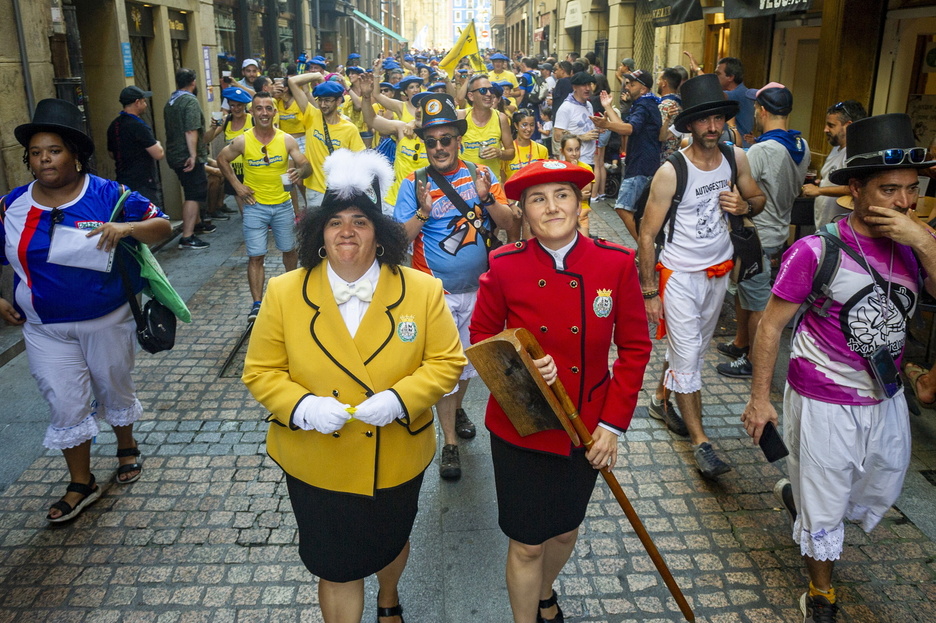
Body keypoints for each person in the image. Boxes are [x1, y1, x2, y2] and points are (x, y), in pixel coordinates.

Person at [242, 148, 465, 623]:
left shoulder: (422, 290)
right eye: (335, 221)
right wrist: (301, 407)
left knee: (391, 542)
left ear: (380, 235)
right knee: (336, 565)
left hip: (396, 450)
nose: (347, 231)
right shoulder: (284, 293)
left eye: (360, 222)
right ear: (319, 235)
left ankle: (388, 598)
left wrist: (400, 399)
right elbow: (260, 371)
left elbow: (447, 362)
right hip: (317, 456)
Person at [741, 113, 936, 623]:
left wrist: (924, 242)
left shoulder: (919, 243)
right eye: (889, 190)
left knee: (878, 487)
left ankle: (802, 499)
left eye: (912, 190)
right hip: (823, 396)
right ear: (855, 189)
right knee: (827, 508)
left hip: (887, 398)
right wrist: (760, 399)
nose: (904, 203)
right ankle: (820, 593)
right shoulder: (815, 250)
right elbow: (769, 327)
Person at [470, 159, 651, 623]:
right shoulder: (503, 266)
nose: (552, 207)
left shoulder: (615, 263)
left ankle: (545, 592)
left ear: (578, 202)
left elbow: (634, 347)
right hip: (522, 427)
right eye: (537, 199)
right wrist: (521, 363)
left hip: (586, 427)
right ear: (524, 214)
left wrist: (612, 426)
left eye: (562, 195)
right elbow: (481, 343)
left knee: (565, 533)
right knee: (528, 543)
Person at [0, 99, 172, 522]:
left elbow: (163, 227)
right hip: (44, 328)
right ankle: (82, 482)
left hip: (107, 319)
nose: (44, 160)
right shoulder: (11, 207)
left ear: (75, 155)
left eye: (54, 150)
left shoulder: (110, 195)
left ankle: (126, 445)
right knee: (64, 402)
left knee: (114, 385)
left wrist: (125, 227)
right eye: (36, 153)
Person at [638, 74, 765, 476]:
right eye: (703, 120)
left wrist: (744, 207)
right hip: (679, 276)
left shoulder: (735, 159)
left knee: (687, 348)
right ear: (690, 125)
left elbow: (759, 199)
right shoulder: (672, 171)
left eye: (718, 119)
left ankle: (660, 398)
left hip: (719, 274)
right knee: (690, 356)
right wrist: (649, 292)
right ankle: (701, 441)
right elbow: (646, 235)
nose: (712, 127)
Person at [394, 93, 519, 480]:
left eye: (445, 139)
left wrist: (485, 199)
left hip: (480, 293)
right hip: (437, 295)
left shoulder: (483, 174)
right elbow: (398, 240)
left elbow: (511, 226)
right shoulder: (413, 183)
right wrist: (422, 212)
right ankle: (449, 441)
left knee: (466, 369)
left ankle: (456, 407)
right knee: (447, 371)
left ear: (457, 140)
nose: (438, 148)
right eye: (430, 141)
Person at [717, 84, 810, 379]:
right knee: (747, 293)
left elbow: (741, 190)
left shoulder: (761, 150)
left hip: (757, 235)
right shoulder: (801, 145)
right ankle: (740, 344)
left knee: (758, 303)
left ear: (762, 110)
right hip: (780, 230)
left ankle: (754, 362)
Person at [217, 92, 311, 322]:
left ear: (274, 112)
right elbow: (222, 158)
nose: (264, 113)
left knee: (289, 250)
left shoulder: (286, 139)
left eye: (268, 108)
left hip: (282, 205)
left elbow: (305, 164)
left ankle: (292, 296)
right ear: (252, 113)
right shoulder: (243, 140)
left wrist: (300, 172)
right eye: (259, 108)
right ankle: (257, 305)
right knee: (256, 256)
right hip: (254, 207)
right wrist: (237, 186)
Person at [593, 69, 662, 243]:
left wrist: (606, 124)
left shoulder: (643, 105)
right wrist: (608, 107)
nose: (627, 87)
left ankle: (646, 246)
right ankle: (647, 246)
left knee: (623, 207)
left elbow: (630, 129)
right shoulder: (645, 104)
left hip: (641, 165)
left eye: (632, 84)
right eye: (627, 83)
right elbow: (625, 126)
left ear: (644, 89)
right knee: (640, 211)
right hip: (644, 163)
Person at [287, 72, 365, 208]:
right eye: (320, 100)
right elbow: (292, 81)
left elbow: (360, 160)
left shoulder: (349, 128)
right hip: (315, 190)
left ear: (339, 101)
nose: (323, 105)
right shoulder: (311, 116)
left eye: (328, 100)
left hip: (339, 191)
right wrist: (317, 75)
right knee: (316, 229)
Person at [164, 67, 211, 249]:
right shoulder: (189, 102)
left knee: (191, 189)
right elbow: (191, 130)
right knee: (194, 193)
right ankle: (187, 235)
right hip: (187, 155)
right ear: (193, 82)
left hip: (174, 153)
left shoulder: (171, 102)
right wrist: (193, 155)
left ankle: (196, 224)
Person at [804, 100, 868, 228]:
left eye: (831, 125)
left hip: (841, 230)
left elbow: (853, 188)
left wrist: (819, 191)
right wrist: (822, 183)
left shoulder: (855, 153)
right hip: (826, 225)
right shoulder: (836, 148)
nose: (825, 129)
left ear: (848, 126)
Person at [106, 86, 164, 207]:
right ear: (137, 102)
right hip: (143, 182)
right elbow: (158, 154)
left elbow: (111, 153)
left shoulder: (114, 124)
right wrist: (157, 143)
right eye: (144, 101)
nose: (146, 104)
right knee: (149, 218)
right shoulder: (138, 126)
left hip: (123, 181)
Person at [205, 87, 254, 214]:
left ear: (244, 105)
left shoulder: (253, 119)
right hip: (234, 171)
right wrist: (212, 127)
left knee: (256, 203)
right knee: (245, 211)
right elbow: (207, 139)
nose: (236, 109)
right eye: (233, 105)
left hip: (252, 168)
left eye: (239, 105)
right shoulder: (226, 120)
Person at [456, 74, 516, 173]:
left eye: (491, 90)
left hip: (491, 183)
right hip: (465, 183)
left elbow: (511, 152)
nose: (489, 94)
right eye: (483, 90)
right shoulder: (461, 116)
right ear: (471, 96)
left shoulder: (500, 118)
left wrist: (499, 152)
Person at [553, 72, 599, 173]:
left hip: (589, 159)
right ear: (574, 87)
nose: (587, 88)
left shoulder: (589, 105)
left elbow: (584, 128)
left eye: (589, 84)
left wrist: (599, 129)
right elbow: (558, 136)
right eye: (584, 85)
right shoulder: (566, 108)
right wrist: (581, 137)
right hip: (574, 162)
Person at [558, 134, 594, 236]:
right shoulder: (559, 168)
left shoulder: (586, 168)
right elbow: (559, 192)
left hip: (582, 210)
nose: (574, 153)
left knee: (584, 243)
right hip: (563, 211)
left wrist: (575, 171)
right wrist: (577, 195)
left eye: (577, 149)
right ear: (562, 151)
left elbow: (586, 190)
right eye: (569, 150)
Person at [715, 57, 754, 147]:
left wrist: (697, 69)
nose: (715, 77)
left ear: (730, 77)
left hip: (739, 148)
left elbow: (713, 91)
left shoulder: (739, 94)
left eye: (718, 74)